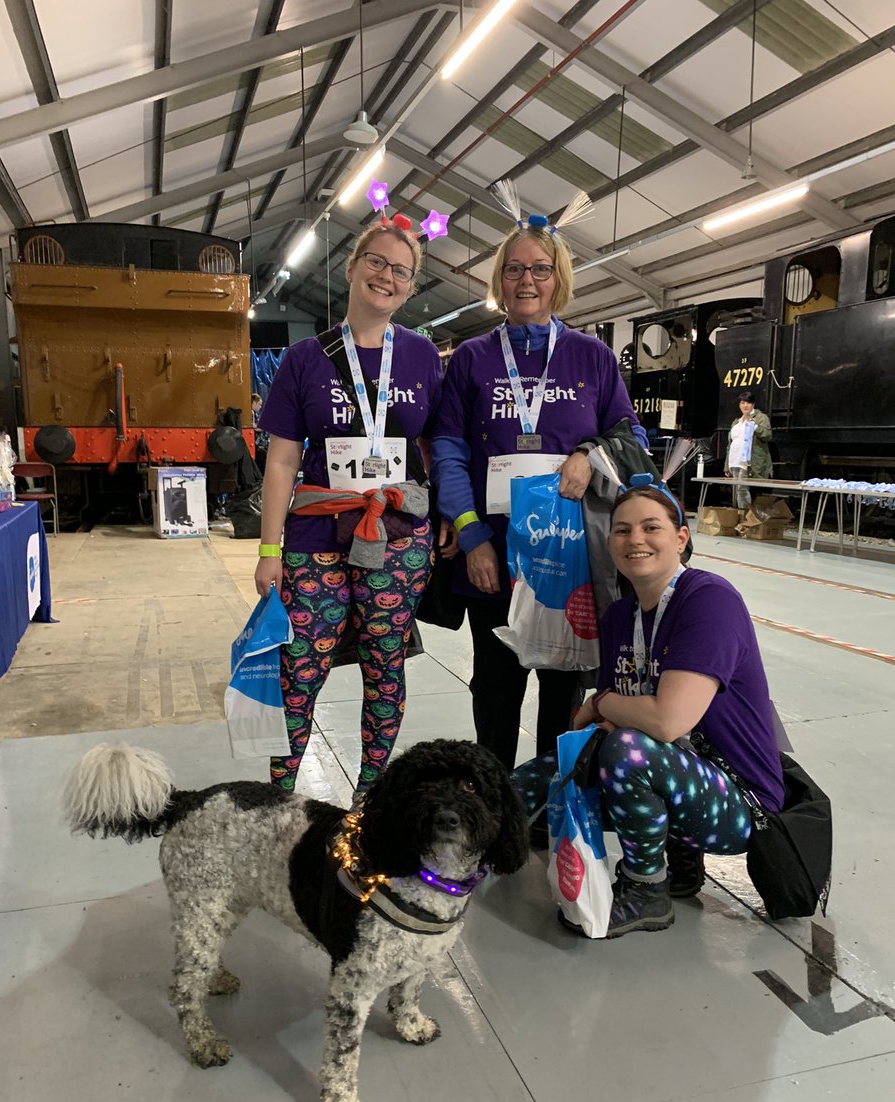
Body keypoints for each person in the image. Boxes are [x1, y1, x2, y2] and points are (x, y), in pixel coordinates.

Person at [431, 219, 648, 776]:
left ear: (559, 280)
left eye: (540, 269)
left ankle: (554, 811)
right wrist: (472, 534)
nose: (527, 280)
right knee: (496, 692)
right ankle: (496, 809)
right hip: (494, 555)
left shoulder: (592, 357)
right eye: (514, 269)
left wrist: (590, 452)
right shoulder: (472, 360)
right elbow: (450, 451)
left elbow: (632, 439)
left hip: (567, 558)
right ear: (499, 280)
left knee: (564, 697)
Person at [254, 220, 442, 796]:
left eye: (400, 270)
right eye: (377, 263)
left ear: (411, 286)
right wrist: (268, 549)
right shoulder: (304, 360)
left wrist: (447, 523)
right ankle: (278, 800)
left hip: (398, 536)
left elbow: (435, 449)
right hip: (315, 535)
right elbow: (282, 461)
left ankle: (371, 795)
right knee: (300, 670)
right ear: (353, 267)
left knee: (385, 668)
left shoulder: (421, 356)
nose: (387, 276)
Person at [569, 482, 784, 938]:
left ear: (681, 538)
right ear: (610, 543)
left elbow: (667, 722)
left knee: (630, 750)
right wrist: (605, 713)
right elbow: (609, 720)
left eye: (651, 527)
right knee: (540, 782)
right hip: (680, 777)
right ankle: (682, 861)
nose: (635, 540)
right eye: (622, 531)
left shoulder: (709, 599)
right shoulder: (619, 618)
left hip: (740, 801)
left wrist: (602, 702)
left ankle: (648, 891)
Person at [724, 391, 772, 508]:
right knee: (736, 489)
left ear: (753, 404)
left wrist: (755, 426)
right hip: (734, 461)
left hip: (747, 461)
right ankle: (737, 515)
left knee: (742, 489)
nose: (745, 405)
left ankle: (745, 516)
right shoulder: (736, 422)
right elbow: (731, 445)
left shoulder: (760, 417)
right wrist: (727, 465)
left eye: (748, 403)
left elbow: (767, 435)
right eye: (743, 403)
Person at [251, 393, 270, 475]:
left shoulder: (254, 414)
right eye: (259, 404)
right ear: (254, 402)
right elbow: (252, 426)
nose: (260, 407)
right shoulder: (251, 413)